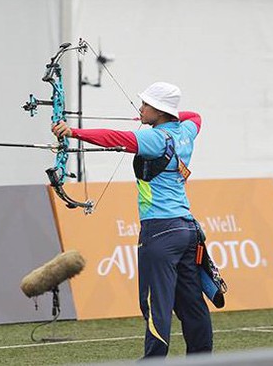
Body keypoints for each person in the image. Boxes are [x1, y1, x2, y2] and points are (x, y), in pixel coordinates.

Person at [52, 82, 212, 358]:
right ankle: (201, 357)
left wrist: (73, 132)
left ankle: (153, 360)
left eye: (146, 105)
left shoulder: (155, 139)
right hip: (186, 228)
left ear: (160, 111)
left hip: (160, 231)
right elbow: (194, 116)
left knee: (156, 303)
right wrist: (165, 116)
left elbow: (113, 137)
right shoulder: (185, 132)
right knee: (190, 301)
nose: (140, 108)